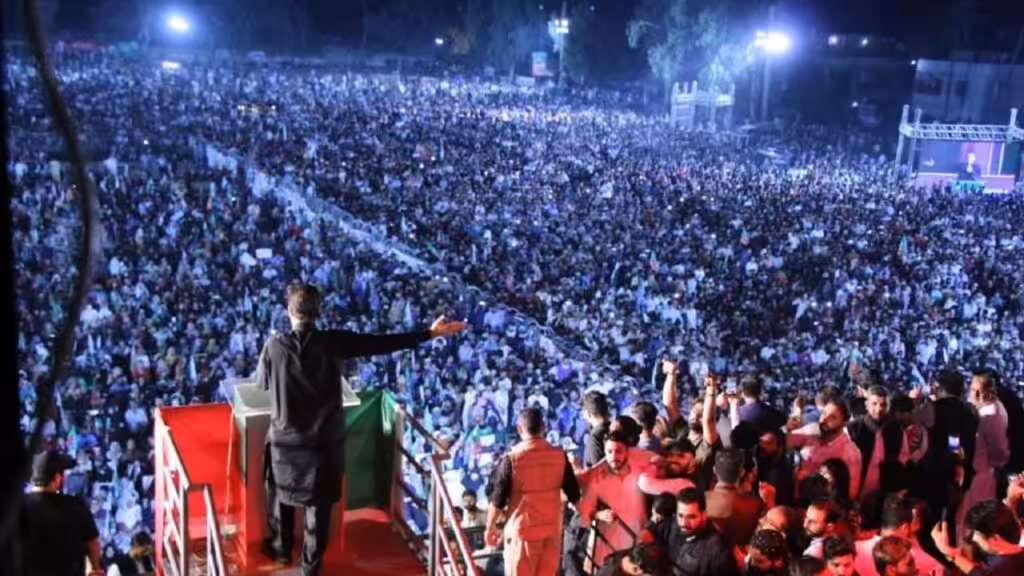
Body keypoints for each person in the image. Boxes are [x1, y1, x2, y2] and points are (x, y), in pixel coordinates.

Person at [258, 283, 466, 575]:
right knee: (317, 512)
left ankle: (281, 548)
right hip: (323, 449)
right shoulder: (335, 342)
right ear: (318, 313)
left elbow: (262, 385)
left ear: (289, 312)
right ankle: (309, 567)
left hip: (285, 448)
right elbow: (380, 343)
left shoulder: (274, 346)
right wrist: (429, 334)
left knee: (279, 492)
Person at [486, 407, 581, 576]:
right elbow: (574, 494)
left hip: (523, 534)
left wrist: (490, 526)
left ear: (519, 429)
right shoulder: (559, 456)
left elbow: (498, 499)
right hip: (552, 532)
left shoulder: (512, 459)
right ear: (543, 427)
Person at [20, 449, 103, 576]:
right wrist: (95, 568)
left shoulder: (17, 507)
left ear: (32, 478)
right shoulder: (75, 506)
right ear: (57, 478)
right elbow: (93, 543)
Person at [931, 500, 1024, 575]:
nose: (974, 539)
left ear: (995, 538)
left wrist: (948, 552)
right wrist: (950, 553)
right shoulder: (1012, 560)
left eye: (977, 534)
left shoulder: (998, 569)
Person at [667, 487, 740, 576]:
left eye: (691, 517)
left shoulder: (717, 549)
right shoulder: (675, 527)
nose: (684, 523)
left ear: (704, 515)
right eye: (680, 516)